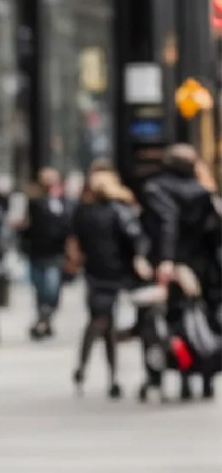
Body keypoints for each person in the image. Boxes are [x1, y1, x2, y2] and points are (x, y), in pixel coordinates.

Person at [142, 144, 222, 400]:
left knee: (173, 323)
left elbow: (167, 223)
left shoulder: (156, 189)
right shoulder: (203, 191)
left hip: (176, 266)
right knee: (204, 321)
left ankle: (179, 374)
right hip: (203, 267)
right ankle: (205, 375)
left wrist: (165, 259)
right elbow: (214, 232)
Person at [67, 168, 151, 400]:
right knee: (104, 325)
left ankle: (87, 370)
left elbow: (74, 242)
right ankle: (109, 376)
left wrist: (75, 261)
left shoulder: (84, 211)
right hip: (115, 273)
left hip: (96, 272)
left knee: (99, 323)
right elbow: (135, 239)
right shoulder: (120, 210)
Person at [21, 168, 72, 340]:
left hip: (57, 253)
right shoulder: (34, 202)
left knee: (52, 288)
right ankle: (43, 320)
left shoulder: (65, 202)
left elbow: (69, 224)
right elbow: (25, 226)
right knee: (40, 289)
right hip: (37, 252)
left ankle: (45, 318)